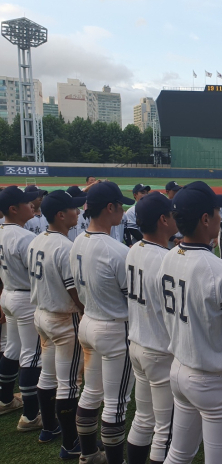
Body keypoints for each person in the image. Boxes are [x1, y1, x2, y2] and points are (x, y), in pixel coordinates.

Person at [159, 181, 222, 464]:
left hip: (179, 369)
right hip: (216, 379)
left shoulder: (166, 258)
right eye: (217, 212)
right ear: (204, 219)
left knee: (178, 454)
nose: (221, 217)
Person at [70, 181, 136, 464]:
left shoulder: (76, 242)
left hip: (88, 323)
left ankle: (87, 454)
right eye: (119, 204)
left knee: (90, 394)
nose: (122, 209)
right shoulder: (117, 250)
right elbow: (131, 299)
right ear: (110, 208)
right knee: (115, 405)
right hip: (113, 329)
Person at [29, 190, 87, 456]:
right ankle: (71, 443)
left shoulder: (36, 240)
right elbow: (73, 290)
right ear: (61, 215)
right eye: (73, 209)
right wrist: (85, 310)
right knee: (69, 383)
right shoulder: (65, 246)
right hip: (63, 319)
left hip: (41, 315)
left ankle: (48, 428)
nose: (78, 212)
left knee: (47, 375)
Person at [125, 193, 178, 464]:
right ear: (163, 219)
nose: (175, 216)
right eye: (172, 213)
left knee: (143, 419)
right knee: (165, 427)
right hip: (159, 350)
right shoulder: (166, 259)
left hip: (137, 343)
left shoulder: (134, 249)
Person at [0, 186, 42, 430]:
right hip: (25, 298)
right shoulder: (24, 237)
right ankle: (30, 416)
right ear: (14, 209)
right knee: (31, 355)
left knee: (13, 349)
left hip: (8, 294)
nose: (32, 206)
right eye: (27, 204)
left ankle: (5, 399)